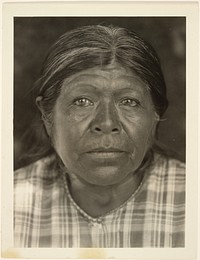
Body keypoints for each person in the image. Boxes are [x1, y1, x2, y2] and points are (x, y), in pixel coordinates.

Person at [14, 25, 185, 247]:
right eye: (82, 101)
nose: (106, 123)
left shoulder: (190, 200)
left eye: (129, 101)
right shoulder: (11, 203)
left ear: (154, 115)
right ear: (47, 117)